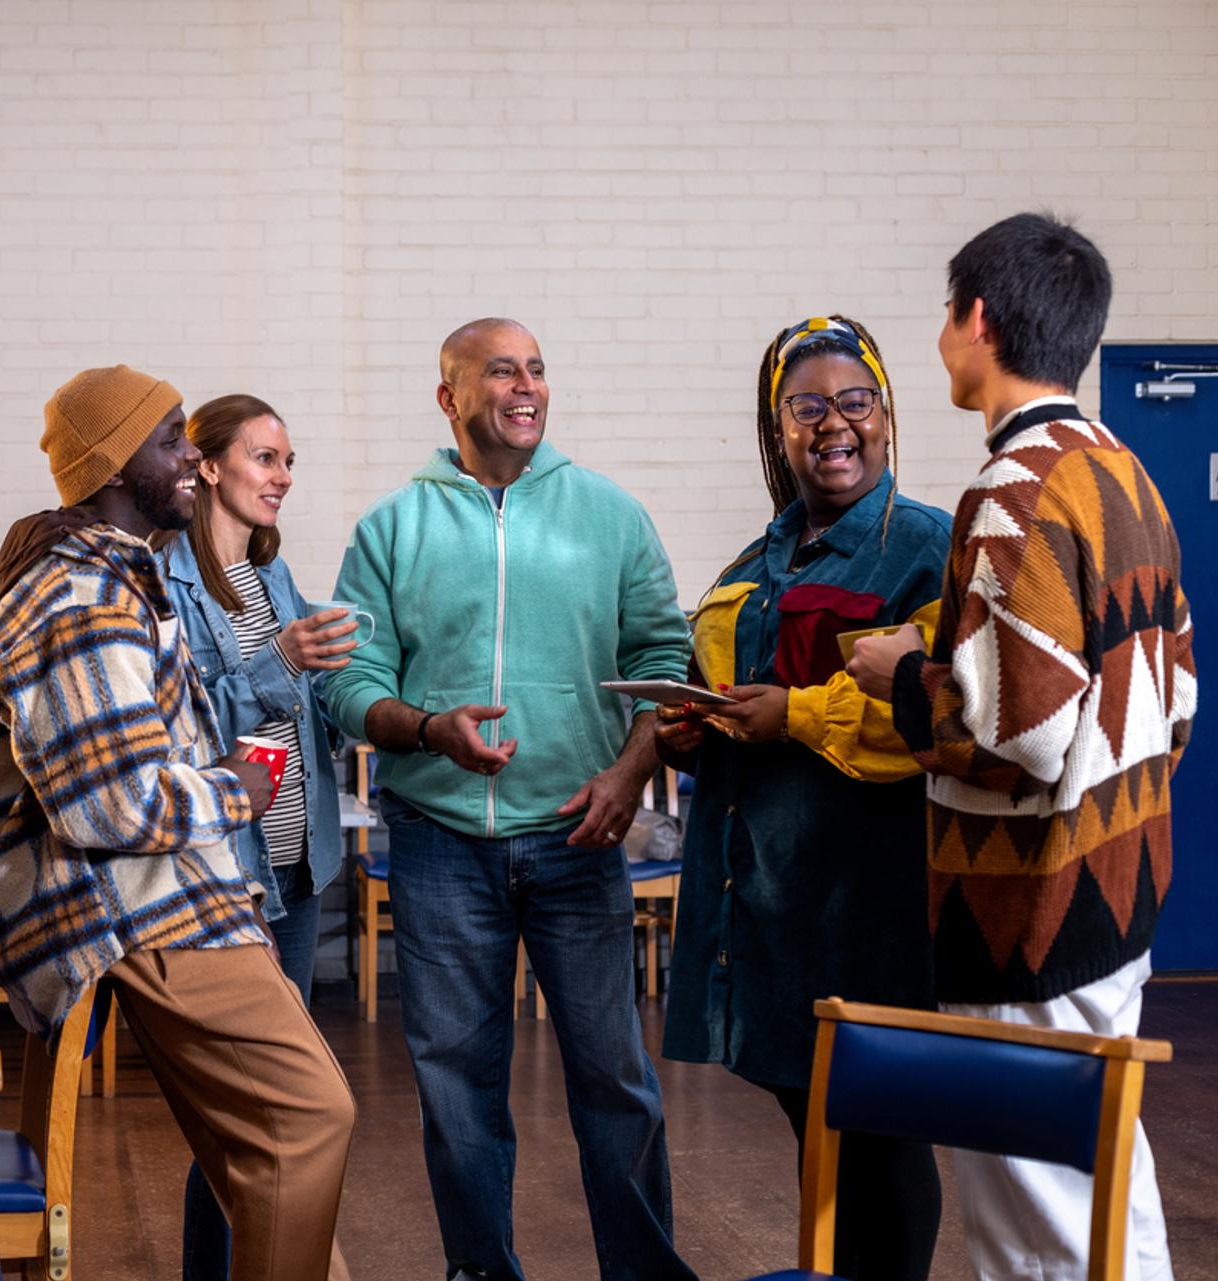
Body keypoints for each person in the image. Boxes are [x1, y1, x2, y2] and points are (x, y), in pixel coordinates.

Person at [0, 365, 355, 1281]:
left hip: (168, 892)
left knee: (268, 1149)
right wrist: (233, 790)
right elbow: (112, 802)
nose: (193, 462)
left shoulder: (111, 579)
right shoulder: (80, 597)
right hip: (147, 904)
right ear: (117, 466)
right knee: (310, 1116)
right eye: (173, 440)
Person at [850, 213, 1196, 1281]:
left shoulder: (1012, 492)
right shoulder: (1121, 470)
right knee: (1106, 1186)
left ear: (980, 320)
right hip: (1121, 885)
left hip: (1029, 910)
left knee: (1031, 1224)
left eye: (947, 314)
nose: (942, 338)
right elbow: (1175, 695)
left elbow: (1021, 741)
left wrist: (901, 674)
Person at [323, 318, 695, 1281]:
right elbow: (352, 683)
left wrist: (628, 774)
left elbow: (665, 662)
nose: (525, 386)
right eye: (501, 370)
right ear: (449, 397)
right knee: (457, 1088)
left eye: (536, 368)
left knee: (616, 1081)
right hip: (441, 841)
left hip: (579, 833)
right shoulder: (392, 527)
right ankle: (481, 1271)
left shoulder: (609, 515)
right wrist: (424, 726)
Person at [655, 316, 950, 1281]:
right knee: (818, 1128)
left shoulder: (930, 551)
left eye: (854, 400)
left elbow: (939, 716)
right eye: (807, 406)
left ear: (888, 413)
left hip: (867, 907)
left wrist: (797, 714)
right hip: (764, 907)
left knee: (882, 1137)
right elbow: (736, 711)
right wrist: (696, 729)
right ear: (776, 428)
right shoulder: (751, 566)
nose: (835, 423)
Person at [158, 393, 356, 1281]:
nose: (282, 478)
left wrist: (358, 694)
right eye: (265, 458)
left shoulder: (270, 577)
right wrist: (284, 663)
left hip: (295, 859)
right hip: (227, 874)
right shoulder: (164, 577)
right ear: (207, 465)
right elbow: (186, 723)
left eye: (288, 462)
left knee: (273, 1112)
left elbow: (304, 712)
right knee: (245, 1109)